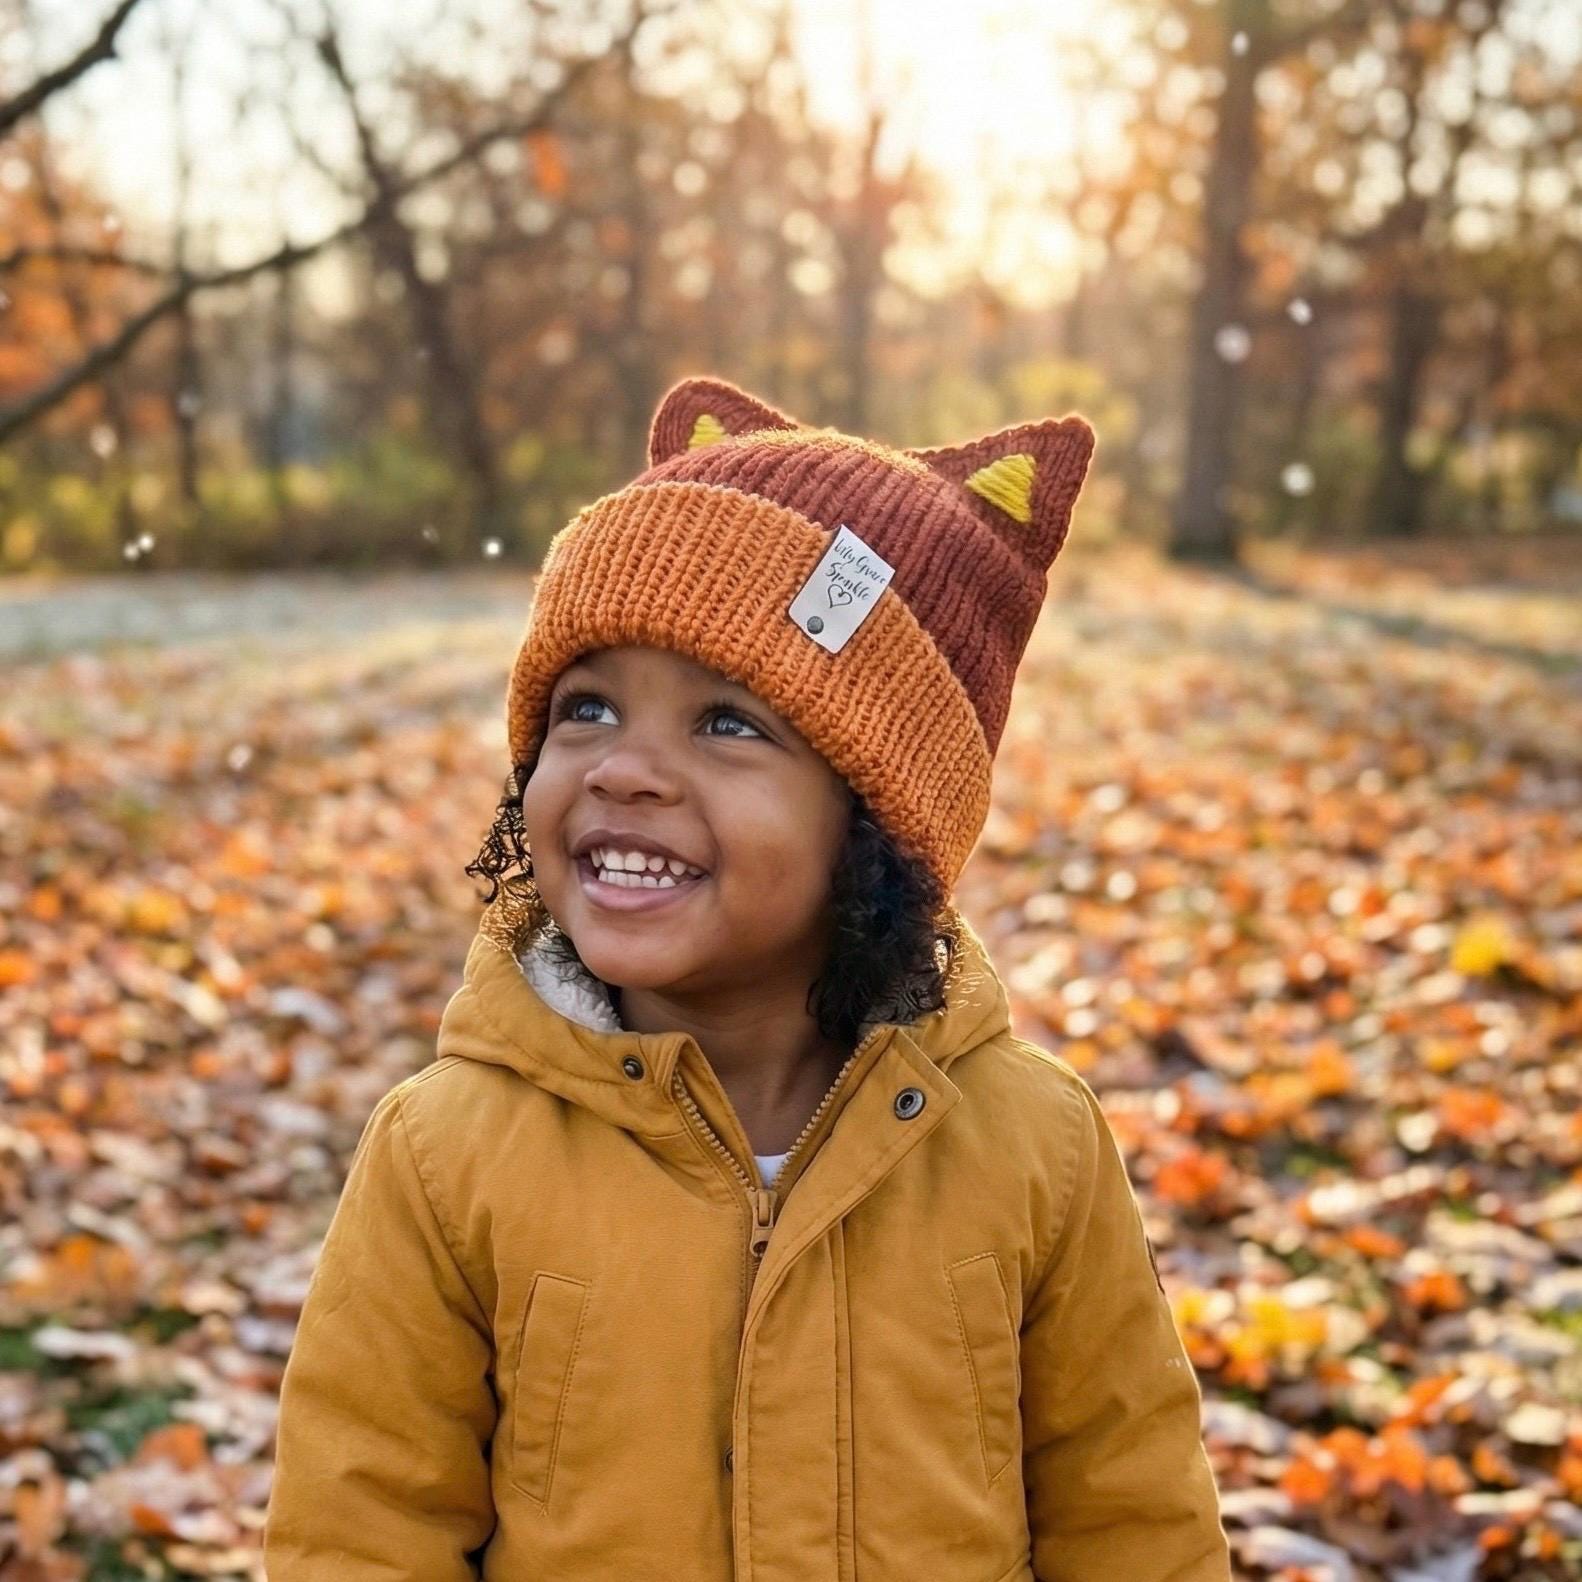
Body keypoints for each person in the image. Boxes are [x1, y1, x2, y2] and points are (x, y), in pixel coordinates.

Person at [261, 375, 1232, 1580]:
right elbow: (360, 1529)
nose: (627, 770)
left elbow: (1132, 1513)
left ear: (877, 823)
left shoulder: (1034, 1148)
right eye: (588, 708)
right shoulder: (447, 1155)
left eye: (726, 724)